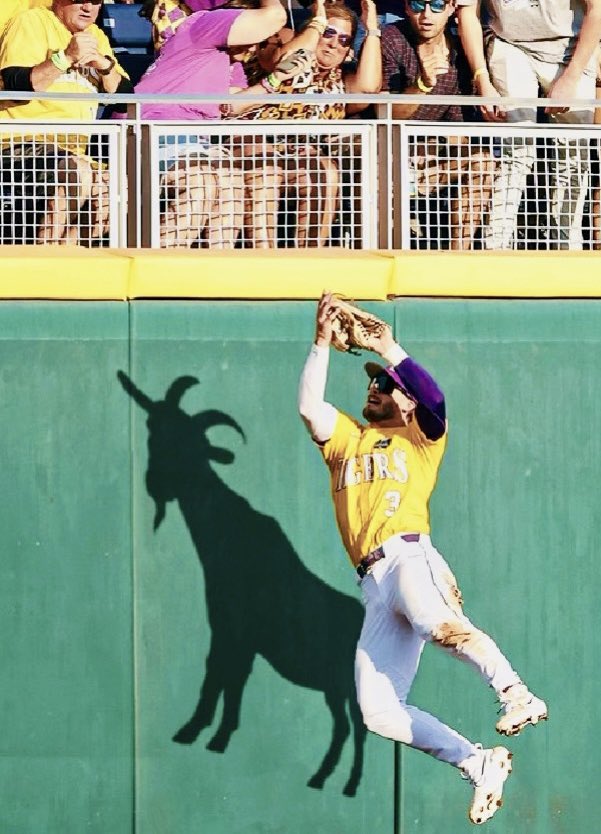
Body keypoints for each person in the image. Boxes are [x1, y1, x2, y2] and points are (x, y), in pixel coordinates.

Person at [298, 292, 548, 826]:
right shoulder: (348, 441)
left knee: (439, 624)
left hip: (410, 557)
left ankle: (515, 693)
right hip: (372, 584)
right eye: (371, 380)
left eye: (385, 384)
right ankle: (479, 763)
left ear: (405, 400)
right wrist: (321, 343)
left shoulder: (419, 439)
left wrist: (389, 348)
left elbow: (435, 398)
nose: (375, 385)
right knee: (379, 712)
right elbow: (308, 408)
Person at [134, 0, 292, 247]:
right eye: (255, 35)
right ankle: (160, 265)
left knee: (231, 181)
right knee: (203, 181)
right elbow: (274, 16)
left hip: (194, 143)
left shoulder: (230, 63)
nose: (256, 45)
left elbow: (231, 106)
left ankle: (218, 269)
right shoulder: (202, 24)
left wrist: (276, 78)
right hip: (155, 133)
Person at [232, 0, 382, 247]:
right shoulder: (285, 48)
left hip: (300, 155)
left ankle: (310, 258)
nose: (334, 44)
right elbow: (284, 59)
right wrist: (319, 17)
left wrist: (373, 28)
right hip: (252, 141)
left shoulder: (339, 81)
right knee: (266, 171)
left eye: (344, 40)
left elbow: (368, 87)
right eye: (328, 33)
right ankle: (262, 259)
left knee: (327, 172)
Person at [456, 0, 601, 250]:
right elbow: (467, 11)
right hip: (510, 45)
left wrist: (572, 76)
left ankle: (567, 246)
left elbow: (596, 9)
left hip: (571, 49)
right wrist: (482, 79)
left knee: (574, 156)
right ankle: (496, 246)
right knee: (517, 151)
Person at [0, 0, 131, 244]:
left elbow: (126, 101)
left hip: (72, 153)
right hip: (17, 144)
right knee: (77, 172)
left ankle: (60, 260)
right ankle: (45, 255)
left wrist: (104, 65)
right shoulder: (32, 21)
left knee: (115, 192)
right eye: (80, 0)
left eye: (96, 3)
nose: (88, 8)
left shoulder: (95, 35)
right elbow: (15, 85)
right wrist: (65, 58)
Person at [381, 0, 495, 250]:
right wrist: (422, 85)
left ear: (452, 8)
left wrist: (433, 148)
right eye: (419, 5)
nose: (427, 15)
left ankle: (458, 256)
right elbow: (386, 114)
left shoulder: (460, 51)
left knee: (482, 161)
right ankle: (384, 254)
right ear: (407, 7)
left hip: (430, 157)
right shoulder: (391, 37)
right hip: (388, 151)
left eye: (437, 5)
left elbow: (456, 128)